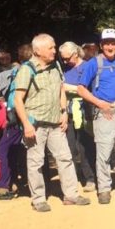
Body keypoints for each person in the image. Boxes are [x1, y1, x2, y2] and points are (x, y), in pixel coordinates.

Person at [13, 33, 90, 212]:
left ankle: (71, 195)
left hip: (56, 123)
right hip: (36, 125)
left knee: (65, 158)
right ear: (38, 50)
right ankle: (38, 199)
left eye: (54, 47)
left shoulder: (56, 66)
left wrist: (64, 112)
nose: (54, 51)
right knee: (35, 162)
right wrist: (26, 124)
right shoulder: (27, 69)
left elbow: (60, 89)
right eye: (51, 48)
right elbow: (18, 99)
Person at [76, 29, 115, 204]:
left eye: (113, 43)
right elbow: (81, 88)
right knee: (104, 153)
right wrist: (99, 104)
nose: (110, 46)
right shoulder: (93, 63)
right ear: (101, 45)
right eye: (107, 43)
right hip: (104, 112)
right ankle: (103, 189)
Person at [0, 43, 30, 199]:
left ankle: (4, 183)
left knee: (5, 148)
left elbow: (8, 93)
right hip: (27, 113)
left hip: (16, 114)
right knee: (21, 148)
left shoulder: (18, 71)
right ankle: (17, 180)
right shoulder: (28, 70)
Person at [61, 41, 97, 192]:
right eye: (62, 58)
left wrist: (71, 88)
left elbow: (90, 88)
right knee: (69, 147)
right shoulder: (64, 69)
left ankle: (91, 178)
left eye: (67, 58)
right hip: (68, 112)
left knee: (84, 146)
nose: (65, 61)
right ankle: (74, 177)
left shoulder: (88, 66)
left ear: (75, 54)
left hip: (85, 111)